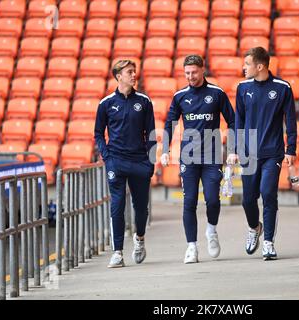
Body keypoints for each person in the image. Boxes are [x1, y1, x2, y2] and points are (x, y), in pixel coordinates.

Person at [161, 54, 236, 264]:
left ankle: (211, 230)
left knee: (212, 199)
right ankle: (191, 247)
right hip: (189, 157)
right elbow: (170, 123)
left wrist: (232, 149)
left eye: (194, 72)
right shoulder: (180, 96)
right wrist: (165, 150)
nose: (190, 76)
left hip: (212, 156)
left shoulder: (217, 93)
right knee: (190, 201)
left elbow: (233, 121)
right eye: (187, 73)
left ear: (203, 70)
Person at [234, 47, 297, 261]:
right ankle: (255, 228)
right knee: (248, 200)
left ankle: (268, 242)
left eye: (247, 64)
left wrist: (291, 150)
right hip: (249, 154)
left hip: (273, 153)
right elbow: (238, 122)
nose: (243, 68)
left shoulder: (282, 88)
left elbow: (290, 121)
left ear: (259, 66)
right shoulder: (242, 88)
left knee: (268, 193)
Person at [94, 59, 156, 268]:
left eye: (134, 71)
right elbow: (98, 134)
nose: (133, 75)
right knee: (117, 206)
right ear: (119, 76)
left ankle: (139, 239)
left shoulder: (144, 102)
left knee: (141, 209)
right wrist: (107, 157)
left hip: (139, 161)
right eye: (129, 72)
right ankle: (118, 252)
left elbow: (152, 135)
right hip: (116, 161)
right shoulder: (106, 103)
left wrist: (151, 162)